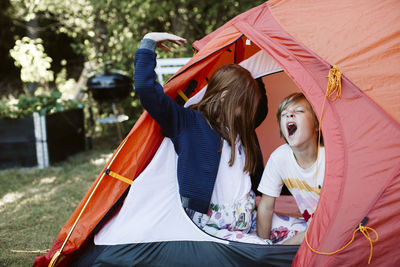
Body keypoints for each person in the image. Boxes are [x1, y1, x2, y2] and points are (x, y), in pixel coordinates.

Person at [134, 32, 270, 244]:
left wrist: (260, 52)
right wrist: (148, 43)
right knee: (263, 250)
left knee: (303, 233)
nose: (248, 113)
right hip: (209, 229)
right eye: (245, 105)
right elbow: (145, 89)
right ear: (225, 97)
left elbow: (261, 109)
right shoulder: (188, 123)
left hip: (247, 221)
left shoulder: (239, 129)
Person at [256, 92, 325, 245]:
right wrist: (262, 247)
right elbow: (266, 206)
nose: (289, 115)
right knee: (261, 222)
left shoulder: (329, 158)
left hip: (336, 226)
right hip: (310, 224)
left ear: (317, 124)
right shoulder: (279, 158)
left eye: (299, 111)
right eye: (284, 114)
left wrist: (278, 250)